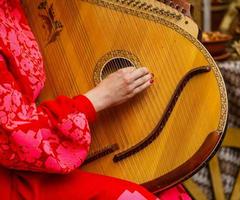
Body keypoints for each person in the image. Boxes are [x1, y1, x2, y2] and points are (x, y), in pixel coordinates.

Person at [0, 0, 159, 199]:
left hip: (36, 155)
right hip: (14, 178)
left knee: (171, 190)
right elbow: (14, 135)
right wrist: (99, 97)